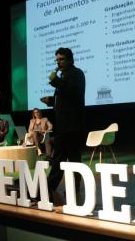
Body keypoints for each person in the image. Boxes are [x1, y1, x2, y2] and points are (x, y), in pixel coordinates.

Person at [41, 47, 86, 199]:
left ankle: (73, 189)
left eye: (61, 59)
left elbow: (73, 93)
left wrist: (55, 81)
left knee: (73, 161)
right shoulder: (64, 76)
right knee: (58, 159)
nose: (58, 62)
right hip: (62, 126)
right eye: (57, 60)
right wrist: (51, 101)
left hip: (73, 126)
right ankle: (49, 187)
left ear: (70, 60)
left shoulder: (76, 74)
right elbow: (64, 98)